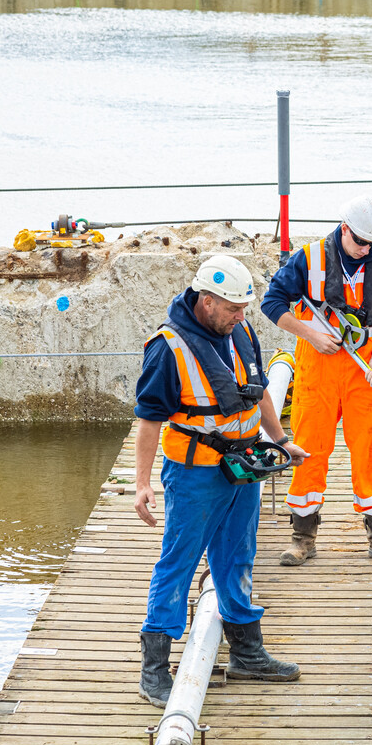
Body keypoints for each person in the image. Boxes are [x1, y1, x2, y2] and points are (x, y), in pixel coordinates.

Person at [132, 254, 308, 705]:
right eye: (233, 308)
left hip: (244, 466)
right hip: (194, 475)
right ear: (206, 301)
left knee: (238, 555)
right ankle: (154, 668)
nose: (241, 316)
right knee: (179, 560)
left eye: (244, 308)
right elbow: (150, 422)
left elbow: (260, 391)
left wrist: (281, 441)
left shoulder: (241, 331)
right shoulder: (167, 349)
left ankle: (247, 653)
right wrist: (143, 483)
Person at [261, 196, 372, 569]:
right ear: (344, 230)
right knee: (308, 449)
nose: (366, 249)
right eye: (359, 241)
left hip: (366, 372)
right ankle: (302, 538)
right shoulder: (308, 260)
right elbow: (272, 303)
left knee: (370, 450)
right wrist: (309, 334)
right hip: (318, 369)